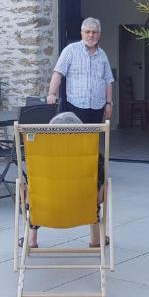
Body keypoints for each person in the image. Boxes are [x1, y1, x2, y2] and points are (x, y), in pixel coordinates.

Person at [25, 112, 107, 248]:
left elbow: (29, 198)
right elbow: (99, 199)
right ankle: (95, 240)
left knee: (34, 194)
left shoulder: (42, 161)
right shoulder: (93, 160)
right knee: (93, 193)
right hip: (83, 207)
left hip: (45, 207)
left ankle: (31, 241)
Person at [46, 17, 114, 123]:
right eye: (87, 32)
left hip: (98, 107)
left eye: (94, 32)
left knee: (94, 139)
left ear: (99, 34)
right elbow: (58, 73)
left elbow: (108, 80)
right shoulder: (70, 50)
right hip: (76, 105)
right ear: (82, 33)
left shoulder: (102, 55)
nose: (91, 35)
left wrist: (109, 103)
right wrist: (52, 94)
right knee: (78, 138)